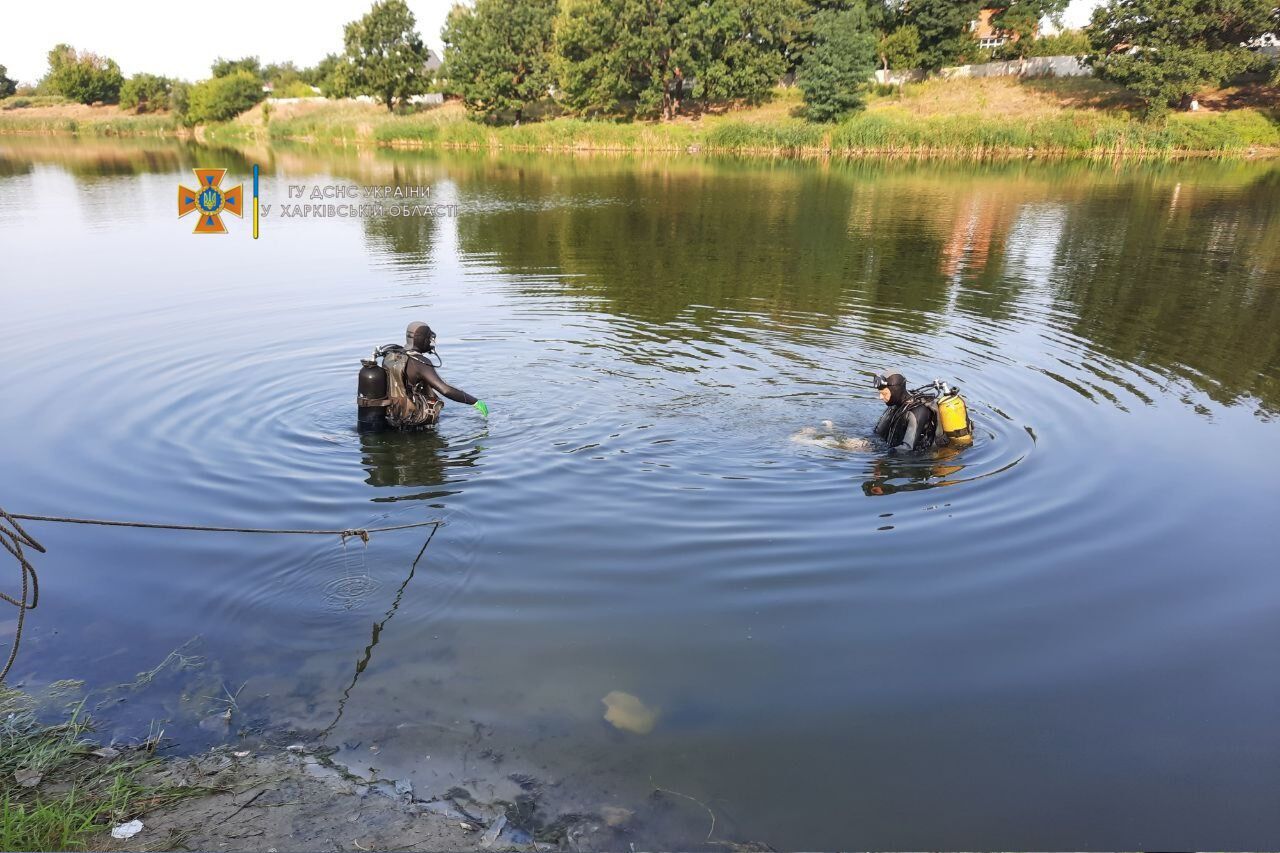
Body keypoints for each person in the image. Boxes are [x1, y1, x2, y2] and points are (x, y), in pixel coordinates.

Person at [357, 321, 488, 431]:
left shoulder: (392, 356)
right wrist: (474, 401)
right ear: (422, 339)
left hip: (390, 415)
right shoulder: (419, 362)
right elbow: (445, 389)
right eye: (429, 339)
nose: (431, 343)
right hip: (410, 421)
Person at [873, 372, 945, 453]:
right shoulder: (895, 404)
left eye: (884, 393)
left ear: (895, 391)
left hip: (921, 459)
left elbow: (907, 449)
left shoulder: (918, 411)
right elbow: (878, 434)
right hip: (895, 449)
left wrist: (877, 452)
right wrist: (864, 443)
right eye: (880, 393)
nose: (880, 397)